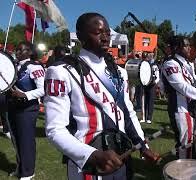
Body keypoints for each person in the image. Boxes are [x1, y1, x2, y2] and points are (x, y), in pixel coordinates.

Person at [44, 13, 159, 180]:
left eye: (107, 33)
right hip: (89, 164)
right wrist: (91, 155)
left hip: (122, 156)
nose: (105, 38)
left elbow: (127, 114)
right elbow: (55, 129)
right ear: (81, 36)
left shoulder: (119, 72)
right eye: (98, 33)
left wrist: (143, 146)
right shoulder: (62, 71)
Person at [7, 42, 45, 180]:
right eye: (16, 49)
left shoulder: (34, 67)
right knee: (16, 139)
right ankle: (21, 167)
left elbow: (43, 89)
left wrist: (26, 95)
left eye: (20, 50)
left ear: (29, 52)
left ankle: (28, 172)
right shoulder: (12, 66)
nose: (17, 52)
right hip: (13, 107)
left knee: (26, 140)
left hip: (27, 109)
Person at [140, 52, 159, 124]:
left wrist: (156, 82)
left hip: (152, 85)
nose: (146, 58)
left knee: (150, 101)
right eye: (144, 57)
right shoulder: (142, 65)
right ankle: (143, 117)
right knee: (144, 101)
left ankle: (149, 117)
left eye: (147, 57)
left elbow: (157, 74)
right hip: (144, 84)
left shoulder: (154, 65)